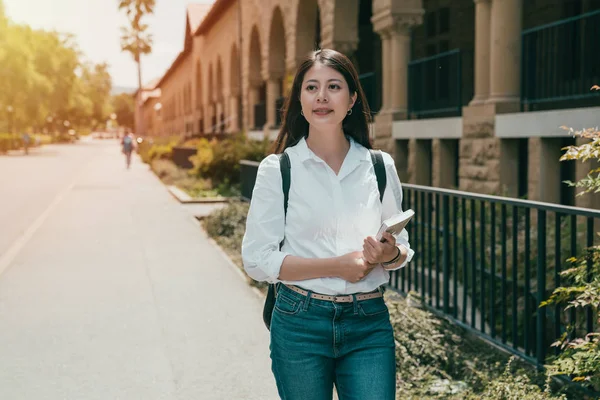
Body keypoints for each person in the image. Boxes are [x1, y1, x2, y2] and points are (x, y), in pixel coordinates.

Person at [241, 49, 414, 400]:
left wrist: (388, 252)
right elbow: (257, 260)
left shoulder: (379, 166)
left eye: (334, 86)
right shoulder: (278, 170)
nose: (322, 96)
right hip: (299, 321)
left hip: (368, 321)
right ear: (299, 101)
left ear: (351, 99)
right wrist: (338, 266)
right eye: (311, 88)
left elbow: (403, 249)